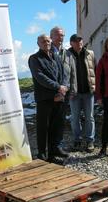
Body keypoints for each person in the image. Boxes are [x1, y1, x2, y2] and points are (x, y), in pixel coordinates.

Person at [28, 34, 69, 162]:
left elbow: (64, 73)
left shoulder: (55, 56)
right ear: (38, 44)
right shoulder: (34, 58)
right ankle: (41, 154)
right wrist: (58, 88)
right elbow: (40, 77)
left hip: (59, 97)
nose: (46, 43)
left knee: (55, 127)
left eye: (48, 41)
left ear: (51, 42)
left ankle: (52, 154)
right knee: (43, 128)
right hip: (45, 99)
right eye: (43, 41)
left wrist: (63, 89)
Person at [68, 34, 96, 153]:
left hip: (88, 92)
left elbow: (95, 69)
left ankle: (90, 140)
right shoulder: (66, 55)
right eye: (75, 41)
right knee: (75, 118)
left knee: (89, 117)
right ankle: (77, 139)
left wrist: (95, 86)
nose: (78, 43)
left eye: (80, 41)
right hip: (74, 93)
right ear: (71, 43)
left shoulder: (90, 54)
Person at [50, 26, 75, 156]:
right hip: (52, 93)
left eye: (62, 35)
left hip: (65, 93)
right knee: (51, 121)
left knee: (60, 121)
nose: (61, 38)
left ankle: (58, 147)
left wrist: (72, 90)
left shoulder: (68, 53)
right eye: (58, 35)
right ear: (51, 36)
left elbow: (72, 73)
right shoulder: (47, 52)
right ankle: (50, 148)